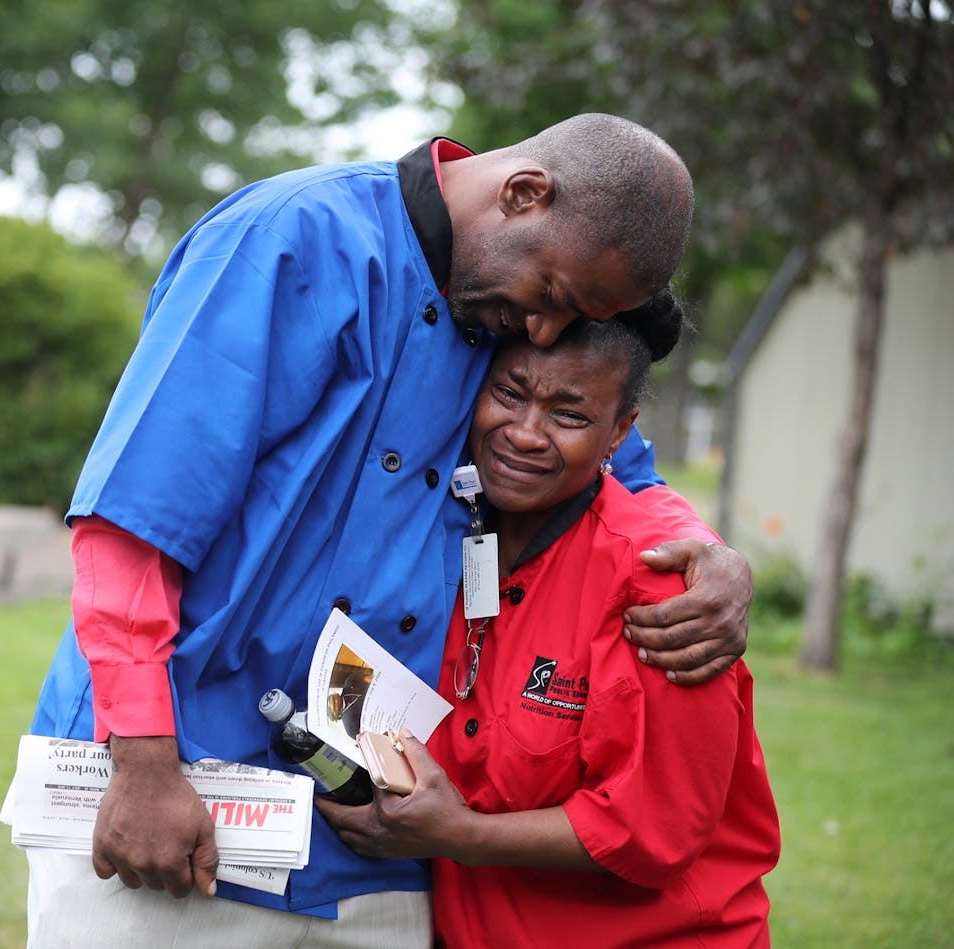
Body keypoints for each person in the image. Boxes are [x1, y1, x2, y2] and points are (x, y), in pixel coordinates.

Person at [26, 113, 753, 946]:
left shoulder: (509, 308)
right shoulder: (288, 239)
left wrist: (717, 561)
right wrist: (145, 763)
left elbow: (624, 471)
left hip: (375, 841)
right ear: (524, 194)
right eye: (554, 297)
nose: (547, 332)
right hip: (180, 799)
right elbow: (136, 520)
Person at [316, 306, 781, 947]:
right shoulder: (444, 536)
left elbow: (656, 830)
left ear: (620, 433)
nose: (526, 433)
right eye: (510, 393)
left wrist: (458, 835)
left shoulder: (664, 595)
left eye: (569, 415)